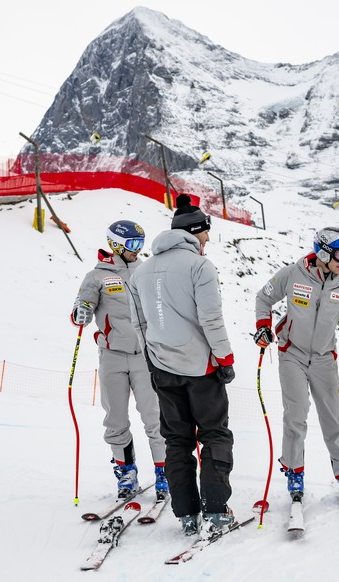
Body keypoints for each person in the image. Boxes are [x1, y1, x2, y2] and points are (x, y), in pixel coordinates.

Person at [128, 194, 235, 539]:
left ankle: (187, 514)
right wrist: (225, 359)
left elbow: (140, 323)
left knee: (176, 440)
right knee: (214, 434)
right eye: (205, 232)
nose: (207, 239)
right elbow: (211, 319)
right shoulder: (199, 266)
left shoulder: (141, 271)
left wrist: (150, 358)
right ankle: (217, 511)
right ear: (195, 231)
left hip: (162, 366)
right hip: (201, 368)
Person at [254, 226, 339, 501]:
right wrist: (263, 326)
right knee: (295, 417)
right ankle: (295, 472)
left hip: (324, 359)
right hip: (292, 353)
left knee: (333, 420)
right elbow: (264, 297)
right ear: (323, 251)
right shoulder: (293, 273)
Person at [71, 220, 167, 500]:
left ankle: (164, 471)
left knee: (154, 416)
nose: (138, 250)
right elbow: (82, 304)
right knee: (115, 419)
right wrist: (82, 312)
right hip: (112, 356)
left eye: (141, 243)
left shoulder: (146, 271)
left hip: (144, 356)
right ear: (116, 244)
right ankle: (127, 471)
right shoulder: (96, 276)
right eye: (132, 244)